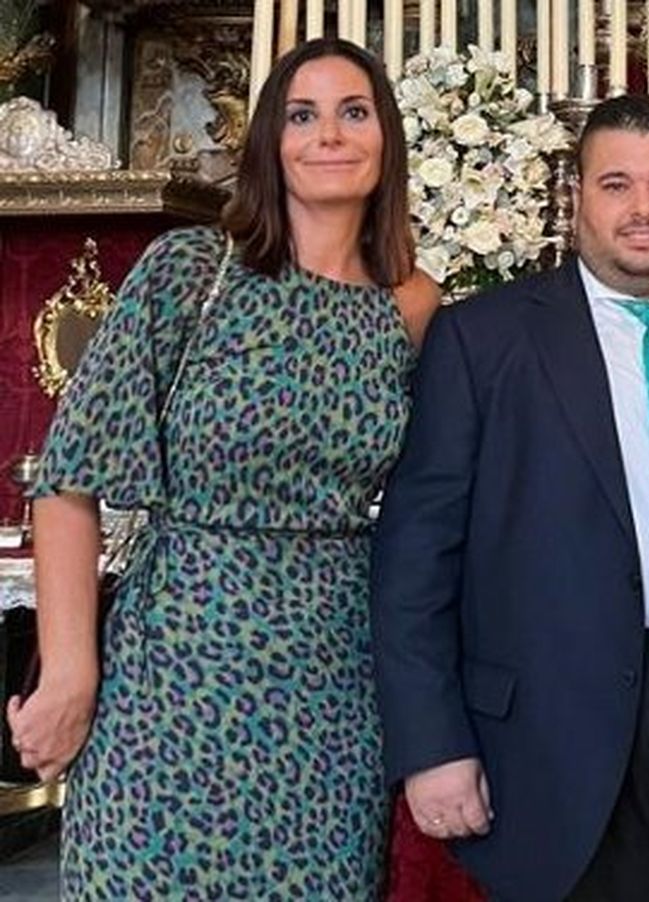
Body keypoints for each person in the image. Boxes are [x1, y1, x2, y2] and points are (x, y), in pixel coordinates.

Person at [6, 37, 440, 898]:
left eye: (353, 113)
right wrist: (70, 674)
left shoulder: (414, 305)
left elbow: (439, 513)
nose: (329, 135)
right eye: (302, 114)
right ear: (269, 140)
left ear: (385, 138)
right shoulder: (193, 271)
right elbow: (68, 479)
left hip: (332, 687)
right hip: (170, 668)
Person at [369, 93, 649, 901]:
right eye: (616, 185)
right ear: (577, 197)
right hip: (564, 724)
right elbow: (415, 554)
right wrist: (432, 743)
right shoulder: (486, 339)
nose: (643, 209)